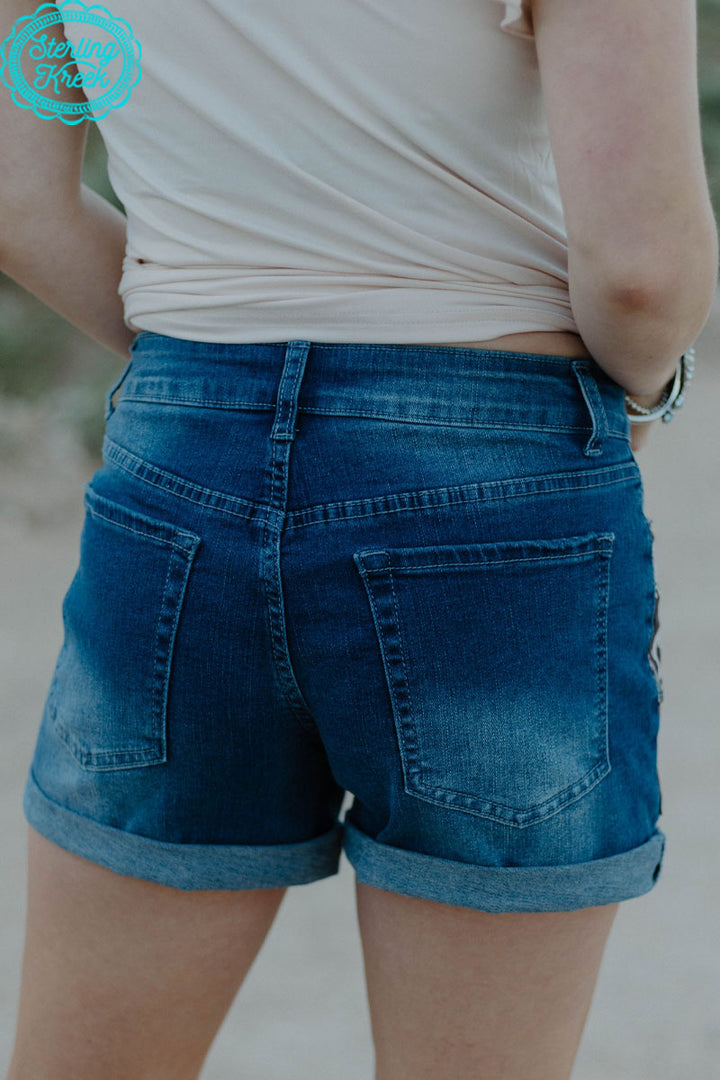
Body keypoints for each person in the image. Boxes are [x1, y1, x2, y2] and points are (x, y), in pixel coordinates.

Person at [1, 0, 717, 1077]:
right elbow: (641, 273)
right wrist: (640, 400)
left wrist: (200, 388)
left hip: (183, 454)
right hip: (493, 466)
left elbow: (17, 201)